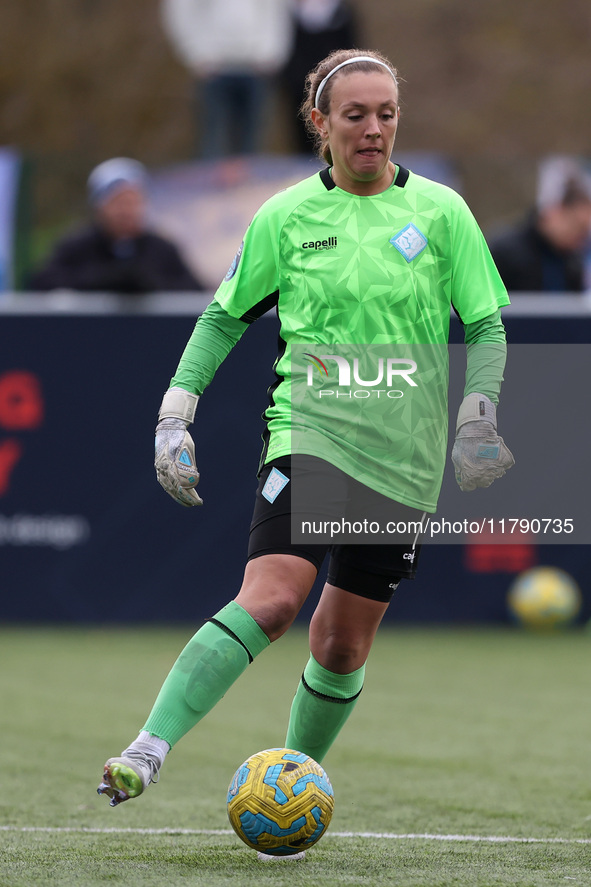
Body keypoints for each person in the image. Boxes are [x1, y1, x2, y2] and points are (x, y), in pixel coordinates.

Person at [97, 50, 514, 826]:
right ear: (318, 124)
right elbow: (223, 316)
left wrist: (477, 412)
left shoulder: (441, 213)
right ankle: (148, 748)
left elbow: (485, 322)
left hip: (407, 455)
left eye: (386, 113)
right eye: (354, 115)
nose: (373, 130)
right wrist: (173, 415)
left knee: (342, 646)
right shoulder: (285, 216)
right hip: (311, 431)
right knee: (275, 598)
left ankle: (291, 782)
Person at [28, 158, 205, 294]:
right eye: (118, 202)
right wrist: (102, 280)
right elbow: (41, 283)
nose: (126, 211)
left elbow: (192, 291)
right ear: (99, 206)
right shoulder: (76, 246)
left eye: (134, 202)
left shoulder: (162, 249)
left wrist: (150, 285)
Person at [161, 0, 293, 158]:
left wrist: (270, 54)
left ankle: (250, 183)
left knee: (253, 144)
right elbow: (181, 11)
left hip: (256, 68)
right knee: (213, 141)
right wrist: (196, 54)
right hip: (213, 69)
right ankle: (208, 182)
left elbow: (277, 12)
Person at [488, 156, 591, 292]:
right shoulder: (502, 253)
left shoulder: (573, 263)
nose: (582, 239)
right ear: (554, 211)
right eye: (578, 227)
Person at [281, 0, 359, 153]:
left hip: (335, 81)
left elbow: (350, 47)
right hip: (300, 84)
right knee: (303, 130)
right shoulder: (292, 12)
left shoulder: (341, 12)